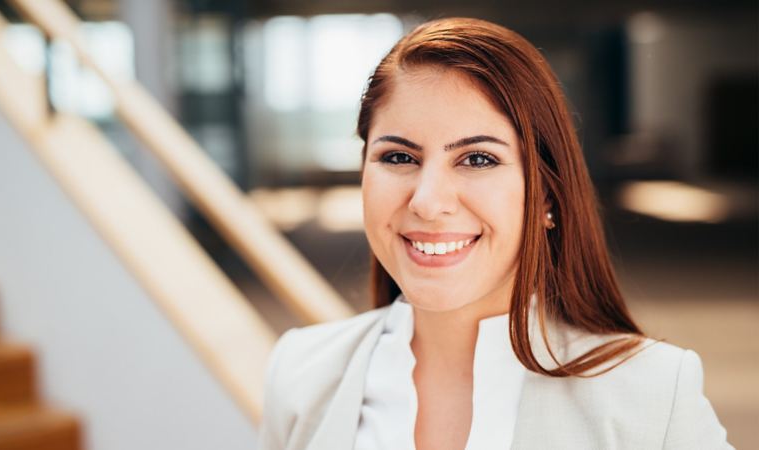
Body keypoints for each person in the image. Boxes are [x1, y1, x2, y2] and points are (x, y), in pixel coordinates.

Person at [258, 17, 732, 450]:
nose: (427, 201)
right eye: (399, 157)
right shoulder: (302, 373)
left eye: (477, 159)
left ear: (546, 196)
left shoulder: (651, 392)